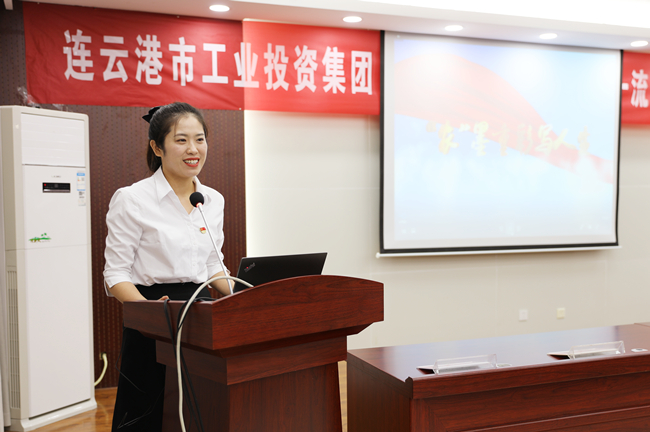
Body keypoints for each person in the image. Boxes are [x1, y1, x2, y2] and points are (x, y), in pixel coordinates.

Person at [103, 102, 232, 431]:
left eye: (200, 139)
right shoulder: (132, 199)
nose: (193, 149)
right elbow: (115, 274)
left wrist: (243, 291)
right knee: (148, 411)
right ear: (157, 147)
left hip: (200, 314)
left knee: (199, 407)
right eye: (181, 140)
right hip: (151, 313)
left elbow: (212, 264)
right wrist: (148, 313)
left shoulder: (211, 200)